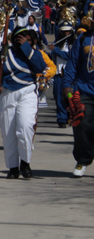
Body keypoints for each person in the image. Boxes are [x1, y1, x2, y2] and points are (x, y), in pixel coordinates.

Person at [0, 26, 47, 179]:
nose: (25, 42)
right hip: (7, 93)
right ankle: (13, 167)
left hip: (27, 92)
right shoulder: (4, 54)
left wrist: (27, 48)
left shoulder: (34, 53)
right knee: (8, 133)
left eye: (28, 40)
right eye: (22, 40)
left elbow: (41, 67)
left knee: (25, 127)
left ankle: (25, 162)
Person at [61, 18, 94, 177]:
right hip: (85, 89)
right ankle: (83, 160)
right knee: (81, 124)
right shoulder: (83, 39)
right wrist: (67, 84)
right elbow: (73, 64)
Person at [48, 22, 75, 128]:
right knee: (58, 97)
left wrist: (56, 51)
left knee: (70, 97)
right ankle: (61, 118)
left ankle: (70, 116)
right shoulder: (57, 43)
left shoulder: (74, 43)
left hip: (69, 74)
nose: (66, 33)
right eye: (63, 31)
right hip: (59, 73)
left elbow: (70, 56)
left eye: (68, 31)